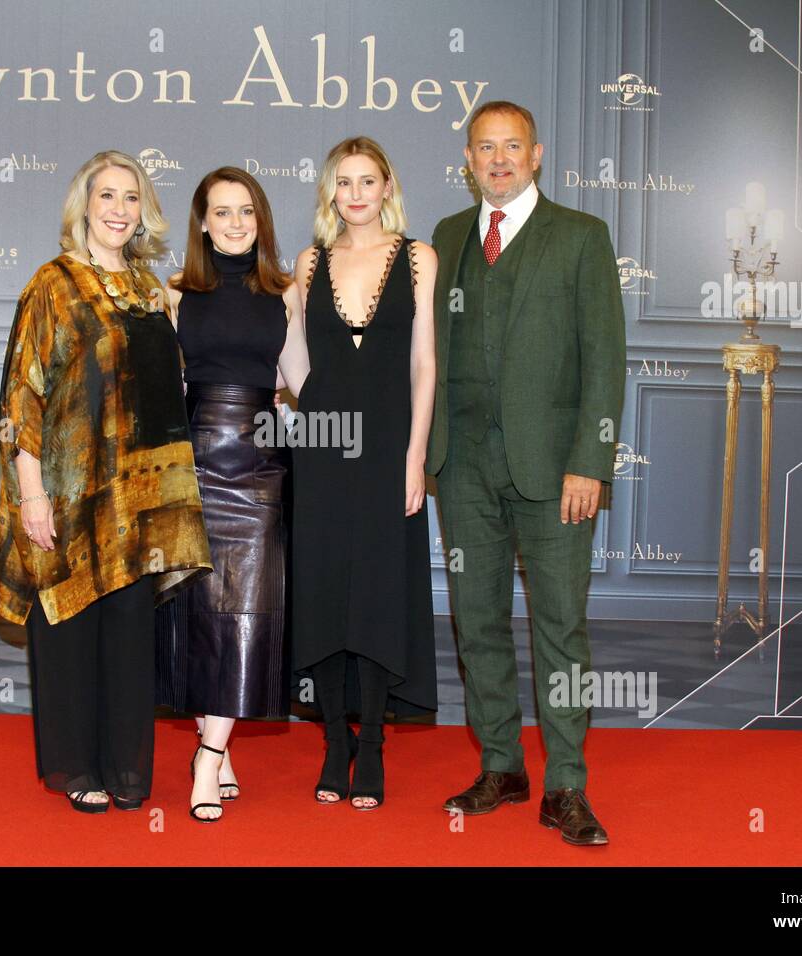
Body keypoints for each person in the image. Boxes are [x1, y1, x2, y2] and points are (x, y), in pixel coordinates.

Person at [428, 101, 626, 845]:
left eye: (513, 146)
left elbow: (606, 360)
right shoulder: (447, 238)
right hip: (464, 468)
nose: (500, 159)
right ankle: (502, 765)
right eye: (486, 148)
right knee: (476, 620)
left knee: (561, 628)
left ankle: (566, 785)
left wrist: (590, 463)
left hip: (555, 474)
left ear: (537, 155)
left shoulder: (581, 237)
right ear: (470, 160)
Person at [0, 150, 211, 815]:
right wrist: (30, 490)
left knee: (126, 635)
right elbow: (20, 398)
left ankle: (125, 767)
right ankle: (78, 766)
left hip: (140, 498)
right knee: (72, 630)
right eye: (107, 196)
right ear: (83, 207)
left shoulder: (152, 289)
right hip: (67, 495)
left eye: (131, 198)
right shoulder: (53, 283)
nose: (119, 209)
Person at [155, 167, 308, 823]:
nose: (237, 223)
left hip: (260, 465)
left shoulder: (287, 295)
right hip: (191, 463)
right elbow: (165, 385)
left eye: (247, 211)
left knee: (247, 613)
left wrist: (362, 428)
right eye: (223, 213)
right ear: (204, 223)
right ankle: (217, 738)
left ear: (262, 218)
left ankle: (208, 759)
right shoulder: (175, 296)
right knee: (198, 617)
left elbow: (301, 379)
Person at [290, 136, 438, 810]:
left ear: (387, 187)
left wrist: (415, 458)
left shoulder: (418, 259)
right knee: (321, 586)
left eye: (367, 180)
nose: (355, 193)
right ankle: (332, 740)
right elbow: (298, 365)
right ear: (330, 191)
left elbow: (424, 365)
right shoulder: (308, 262)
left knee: (378, 590)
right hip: (321, 446)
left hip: (386, 447)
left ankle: (372, 740)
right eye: (343, 182)